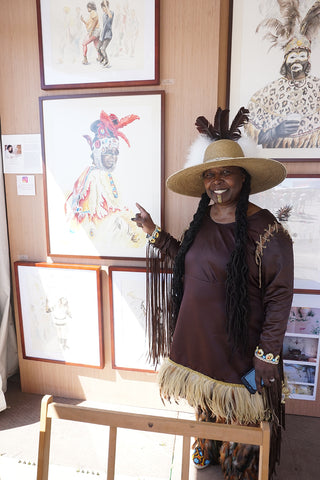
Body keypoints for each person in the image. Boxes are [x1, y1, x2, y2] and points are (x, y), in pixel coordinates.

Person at [132, 107, 294, 479]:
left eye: (225, 172)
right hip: (200, 344)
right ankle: (209, 444)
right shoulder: (202, 220)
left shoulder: (268, 232)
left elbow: (279, 296)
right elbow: (186, 263)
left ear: (244, 176)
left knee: (243, 429)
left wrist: (267, 354)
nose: (216, 182)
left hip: (240, 350)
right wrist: (153, 232)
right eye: (210, 174)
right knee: (207, 404)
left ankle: (240, 461)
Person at [245, 1, 320, 149]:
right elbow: (253, 136)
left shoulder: (317, 87)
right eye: (293, 56)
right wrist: (275, 132)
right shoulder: (267, 94)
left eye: (302, 55)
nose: (297, 60)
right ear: (285, 60)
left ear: (308, 58)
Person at [65, 110, 144, 248]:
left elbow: (116, 206)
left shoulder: (106, 175)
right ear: (97, 152)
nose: (112, 157)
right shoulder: (93, 176)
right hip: (98, 230)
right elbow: (93, 216)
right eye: (108, 152)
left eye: (115, 153)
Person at [98, 1, 114, 67]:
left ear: (107, 7)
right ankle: (103, 58)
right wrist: (101, 35)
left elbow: (110, 16)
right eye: (102, 8)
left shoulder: (111, 13)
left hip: (108, 35)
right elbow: (104, 26)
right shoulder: (103, 15)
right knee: (98, 48)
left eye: (104, 8)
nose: (103, 10)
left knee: (103, 49)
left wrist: (106, 6)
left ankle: (107, 62)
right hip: (103, 35)